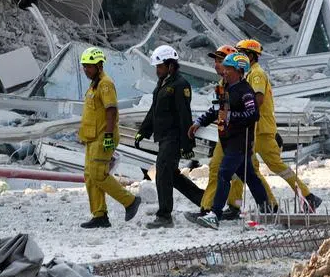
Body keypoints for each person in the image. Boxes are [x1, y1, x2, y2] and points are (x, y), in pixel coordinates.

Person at [226, 39, 322, 212]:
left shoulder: (256, 74)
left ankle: (305, 197)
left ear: (250, 55)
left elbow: (258, 99)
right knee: (245, 166)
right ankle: (248, 205)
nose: (238, 57)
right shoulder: (249, 74)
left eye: (240, 53)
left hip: (259, 130)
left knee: (270, 166)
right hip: (257, 129)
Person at [187, 46, 275, 223]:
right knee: (249, 176)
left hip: (239, 141)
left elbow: (253, 114)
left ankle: (214, 214)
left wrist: (231, 116)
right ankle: (267, 210)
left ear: (238, 71)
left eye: (228, 69)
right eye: (224, 68)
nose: (224, 72)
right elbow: (216, 110)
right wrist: (199, 122)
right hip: (228, 140)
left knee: (224, 173)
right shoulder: (226, 88)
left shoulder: (245, 91)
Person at [134, 45, 204, 229]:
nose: (157, 70)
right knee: (172, 176)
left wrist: (187, 145)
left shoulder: (180, 85)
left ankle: (165, 216)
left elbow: (184, 116)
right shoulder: (163, 84)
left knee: (163, 174)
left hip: (173, 138)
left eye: (160, 66)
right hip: (163, 137)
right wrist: (143, 131)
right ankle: (206, 201)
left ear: (170, 65)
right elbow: (153, 111)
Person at [78, 47, 142, 228]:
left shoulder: (105, 84)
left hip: (103, 136)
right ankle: (99, 215)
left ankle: (130, 201)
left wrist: (107, 136)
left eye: (89, 67)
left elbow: (111, 110)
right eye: (84, 67)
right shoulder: (94, 84)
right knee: (90, 176)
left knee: (99, 174)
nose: (85, 70)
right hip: (92, 137)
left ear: (99, 65)